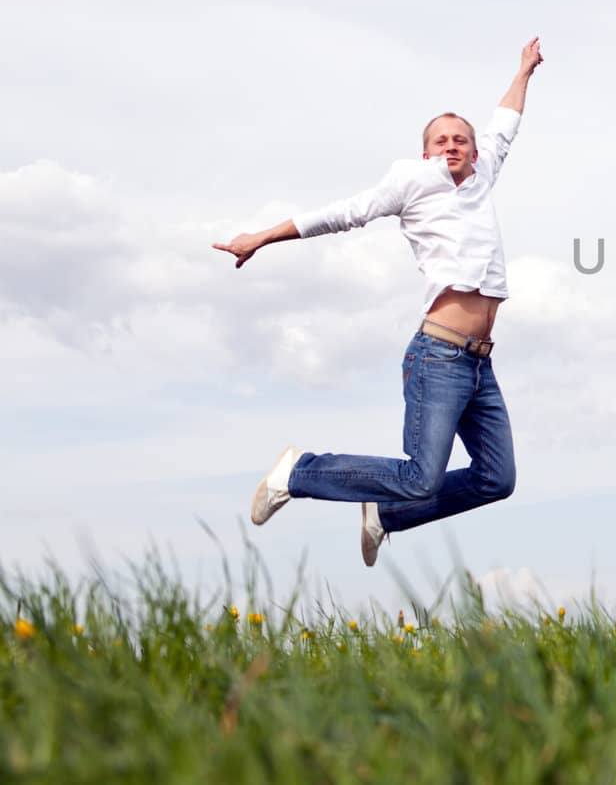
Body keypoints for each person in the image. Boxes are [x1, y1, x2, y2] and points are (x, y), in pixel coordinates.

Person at [212, 37, 544, 566]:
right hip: (438, 356)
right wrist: (261, 237)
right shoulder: (411, 181)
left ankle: (386, 516)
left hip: (480, 363)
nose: (453, 145)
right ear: (426, 152)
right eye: (441, 140)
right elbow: (342, 213)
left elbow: (506, 122)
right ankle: (298, 473)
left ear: (476, 151)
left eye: (462, 139)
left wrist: (524, 70)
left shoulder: (482, 178)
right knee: (419, 476)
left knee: (495, 478)